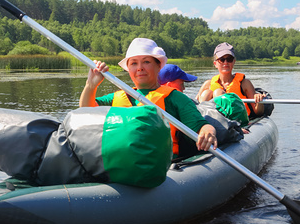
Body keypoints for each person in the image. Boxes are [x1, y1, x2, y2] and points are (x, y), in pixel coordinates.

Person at [80, 38, 217, 158]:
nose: (140, 68)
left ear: (159, 66)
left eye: (146, 62)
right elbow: (85, 112)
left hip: (164, 166)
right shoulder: (116, 97)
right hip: (121, 163)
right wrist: (90, 85)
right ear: (128, 69)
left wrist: (208, 131)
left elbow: (201, 126)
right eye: (133, 63)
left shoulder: (175, 98)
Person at [196, 42, 268, 118]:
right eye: (221, 59)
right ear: (215, 63)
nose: (225, 62)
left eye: (229, 59)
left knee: (218, 92)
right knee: (207, 93)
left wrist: (259, 100)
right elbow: (194, 103)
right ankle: (201, 122)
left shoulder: (245, 83)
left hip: (238, 120)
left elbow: (258, 112)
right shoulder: (207, 84)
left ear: (234, 61)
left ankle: (230, 124)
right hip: (213, 120)